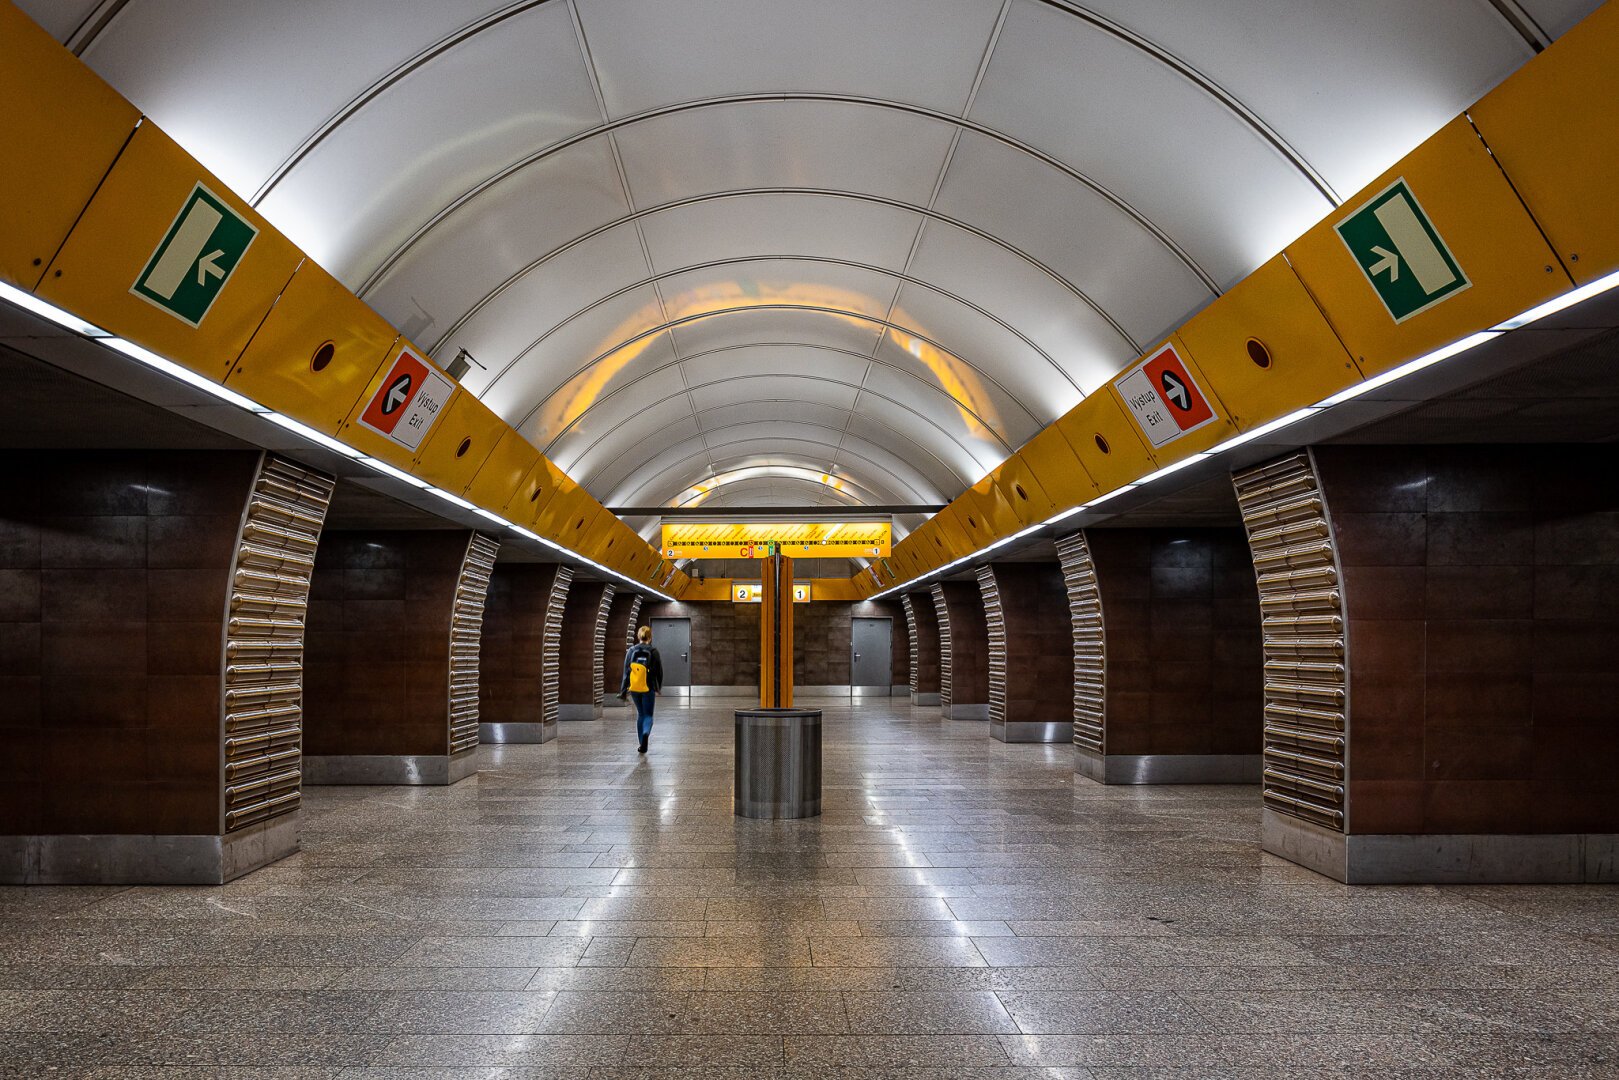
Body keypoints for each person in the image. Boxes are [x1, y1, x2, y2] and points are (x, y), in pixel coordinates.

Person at [618, 625, 663, 754]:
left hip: (635, 688)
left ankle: (641, 743)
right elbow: (659, 671)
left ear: (638, 636)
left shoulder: (632, 650)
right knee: (648, 715)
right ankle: (645, 734)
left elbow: (626, 672)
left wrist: (623, 691)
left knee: (641, 714)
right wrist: (658, 687)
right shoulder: (653, 651)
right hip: (648, 687)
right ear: (650, 637)